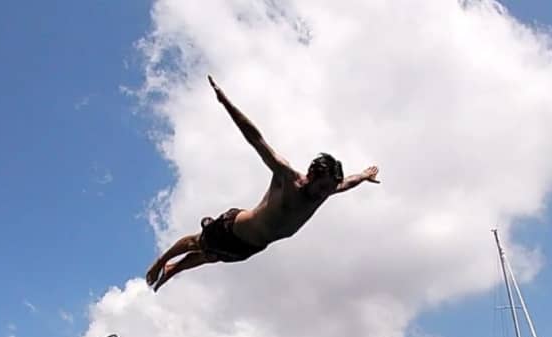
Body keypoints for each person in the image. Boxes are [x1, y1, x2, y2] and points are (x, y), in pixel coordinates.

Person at [145, 75, 380, 292]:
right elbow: (255, 139)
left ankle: (174, 269)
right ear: (311, 175)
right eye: (322, 186)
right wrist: (226, 103)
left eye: (329, 189)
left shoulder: (326, 191)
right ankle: (162, 261)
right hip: (235, 227)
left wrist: (364, 175)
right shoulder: (287, 178)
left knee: (210, 256)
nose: (324, 193)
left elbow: (348, 182)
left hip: (252, 247)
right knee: (198, 242)